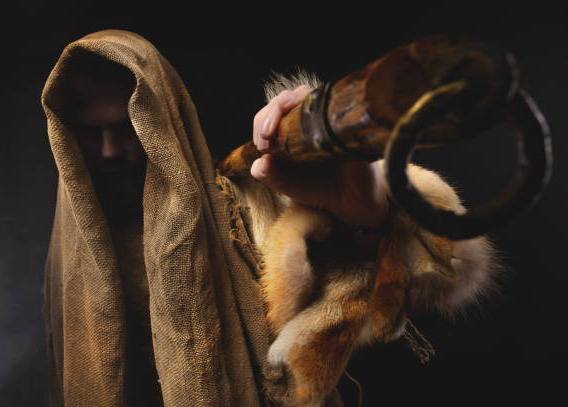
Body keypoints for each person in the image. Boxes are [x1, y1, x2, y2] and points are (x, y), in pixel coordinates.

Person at [42, 30, 497, 407]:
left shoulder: (245, 205)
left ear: (161, 120)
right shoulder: (68, 256)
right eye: (88, 132)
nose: (107, 152)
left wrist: (371, 211)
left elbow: (449, 266)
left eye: (126, 128)